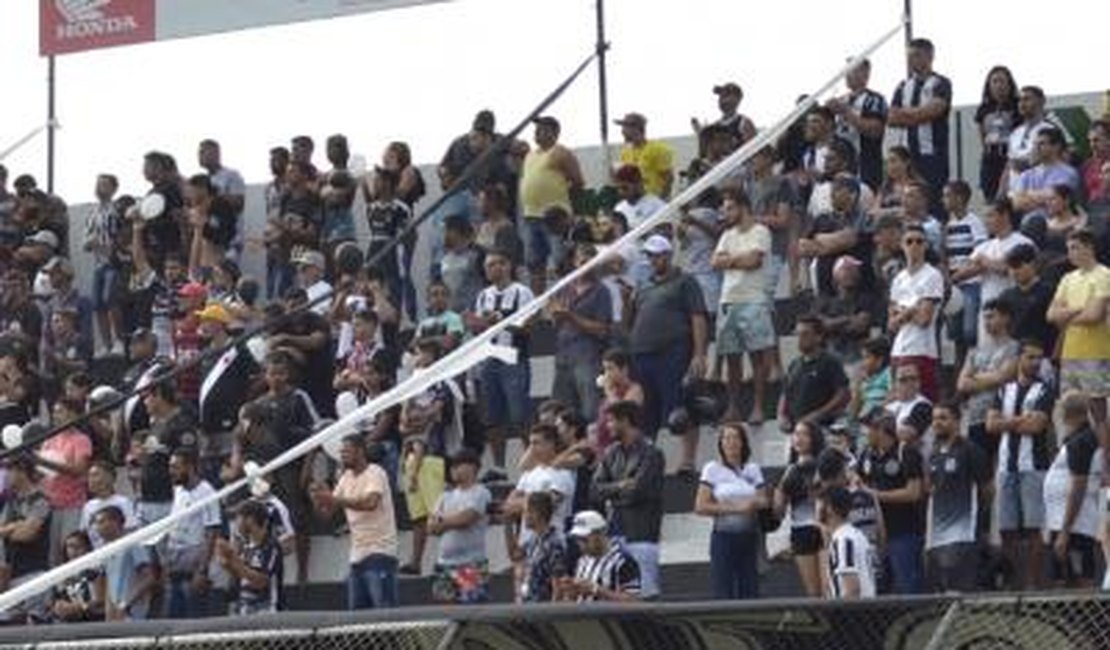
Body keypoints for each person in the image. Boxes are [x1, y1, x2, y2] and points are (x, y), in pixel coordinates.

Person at [624, 234, 709, 466]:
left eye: (657, 255)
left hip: (672, 352)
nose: (653, 260)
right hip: (643, 355)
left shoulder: (685, 281)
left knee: (681, 404)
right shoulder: (643, 286)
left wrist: (699, 354)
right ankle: (645, 460)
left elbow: (697, 316)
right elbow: (631, 320)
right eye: (650, 256)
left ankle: (688, 459)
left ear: (668, 255)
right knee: (645, 411)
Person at [985, 340, 1054, 590]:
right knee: (1006, 529)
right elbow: (990, 426)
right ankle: (1014, 580)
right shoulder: (1005, 390)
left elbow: (1036, 427)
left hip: (1033, 466)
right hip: (1006, 466)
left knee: (1034, 527)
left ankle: (1032, 584)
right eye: (1031, 357)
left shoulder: (1045, 390)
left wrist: (1006, 421)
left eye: (1040, 358)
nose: (1036, 363)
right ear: (1019, 359)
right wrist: (1020, 420)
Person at [466, 249, 534, 481]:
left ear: (508, 266)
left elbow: (527, 326)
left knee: (520, 414)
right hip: (489, 357)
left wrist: (501, 321)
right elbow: (478, 330)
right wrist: (476, 324)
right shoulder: (483, 295)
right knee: (493, 417)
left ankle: (532, 462)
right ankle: (499, 467)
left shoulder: (522, 292)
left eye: (499, 263)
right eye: (490, 265)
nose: (495, 268)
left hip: (513, 357)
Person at [311, 435, 399, 609]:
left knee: (384, 612)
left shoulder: (375, 472)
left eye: (346, 451)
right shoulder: (345, 478)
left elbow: (370, 503)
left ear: (360, 451)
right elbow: (326, 515)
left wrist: (333, 499)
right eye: (341, 452)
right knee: (357, 616)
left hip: (380, 552)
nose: (342, 455)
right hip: (357, 556)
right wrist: (317, 498)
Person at [711, 188, 775, 424]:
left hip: (753, 299)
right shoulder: (727, 235)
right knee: (731, 358)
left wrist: (730, 261)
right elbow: (715, 261)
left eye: (729, 208)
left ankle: (758, 407)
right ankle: (733, 407)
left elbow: (754, 261)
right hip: (728, 300)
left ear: (742, 207)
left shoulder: (761, 231)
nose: (725, 213)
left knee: (758, 358)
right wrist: (738, 260)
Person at [590, 401, 664, 599]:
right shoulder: (611, 453)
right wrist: (622, 485)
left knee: (644, 597)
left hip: (641, 534)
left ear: (625, 421)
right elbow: (595, 490)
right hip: (614, 534)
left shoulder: (652, 454)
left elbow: (638, 492)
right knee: (617, 594)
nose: (608, 426)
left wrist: (612, 491)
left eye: (612, 421)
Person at [694, 422, 767, 600]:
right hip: (724, 536)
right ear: (720, 444)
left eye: (735, 437)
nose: (731, 442)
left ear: (743, 442)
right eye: (726, 438)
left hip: (750, 537)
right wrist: (737, 508)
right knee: (723, 589)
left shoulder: (753, 469)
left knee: (750, 589)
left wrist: (754, 504)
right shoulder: (712, 469)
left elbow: (763, 500)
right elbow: (701, 506)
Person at [925, 401, 990, 593]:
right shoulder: (934, 453)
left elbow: (988, 489)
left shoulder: (971, 450)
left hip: (963, 532)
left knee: (960, 591)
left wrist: (978, 521)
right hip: (936, 533)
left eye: (943, 418)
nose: (937, 423)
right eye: (935, 419)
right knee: (940, 591)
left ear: (957, 421)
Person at [858, 412, 926, 594]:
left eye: (867, 431)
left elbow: (914, 493)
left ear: (880, 430)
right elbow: (858, 481)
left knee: (907, 585)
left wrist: (876, 495)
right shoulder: (866, 454)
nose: (864, 435)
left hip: (904, 532)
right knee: (877, 587)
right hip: (875, 535)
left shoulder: (906, 453)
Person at [1048, 230, 1110, 428]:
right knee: (1070, 406)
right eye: (1068, 249)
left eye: (1075, 248)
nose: (1070, 253)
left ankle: (1103, 452)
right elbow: (1050, 315)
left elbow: (1095, 316)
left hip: (1096, 352)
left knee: (1097, 406)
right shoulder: (1067, 278)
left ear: (1089, 247)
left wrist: (1066, 315)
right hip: (1070, 351)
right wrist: (1080, 309)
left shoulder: (1104, 275)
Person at [1043, 392, 1103, 589]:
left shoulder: (1081, 442)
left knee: (1078, 581)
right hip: (1063, 522)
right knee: (1063, 579)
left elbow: (1078, 486)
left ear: (1065, 414)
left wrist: (1065, 532)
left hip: (1074, 525)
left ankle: (1085, 619)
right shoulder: (1077, 439)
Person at [519, 115, 584, 291]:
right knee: (534, 265)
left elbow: (578, 182)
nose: (537, 132)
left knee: (561, 263)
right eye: (536, 129)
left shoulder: (561, 152)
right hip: (531, 216)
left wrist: (564, 207)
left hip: (555, 219)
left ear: (554, 132)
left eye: (542, 129)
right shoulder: (530, 155)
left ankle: (569, 303)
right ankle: (537, 309)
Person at [549, 243, 613, 421]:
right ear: (575, 262)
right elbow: (555, 321)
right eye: (582, 261)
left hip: (588, 357)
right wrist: (555, 312)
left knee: (590, 411)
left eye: (591, 261)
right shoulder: (564, 287)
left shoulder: (602, 291)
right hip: (563, 356)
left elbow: (602, 330)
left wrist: (570, 316)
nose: (586, 265)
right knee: (562, 413)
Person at [887, 38, 952, 210]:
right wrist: (919, 114)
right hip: (907, 156)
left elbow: (933, 111)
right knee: (908, 200)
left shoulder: (940, 83)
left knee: (933, 200)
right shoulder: (903, 85)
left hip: (932, 154)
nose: (911, 60)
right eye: (909, 56)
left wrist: (907, 113)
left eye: (916, 55)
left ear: (930, 56)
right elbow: (892, 118)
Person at [956, 299, 1019, 459]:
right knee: (979, 470)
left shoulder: (1015, 347)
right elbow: (961, 384)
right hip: (975, 417)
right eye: (985, 318)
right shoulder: (975, 350)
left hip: (1001, 416)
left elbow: (1003, 377)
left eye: (991, 317)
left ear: (1006, 318)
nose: (987, 322)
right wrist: (991, 377)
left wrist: (974, 378)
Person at [888, 224, 944, 401]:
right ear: (902, 245)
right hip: (898, 349)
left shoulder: (932, 275)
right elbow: (891, 324)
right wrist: (913, 308)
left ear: (926, 245)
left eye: (919, 241)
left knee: (923, 402)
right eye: (909, 241)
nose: (914, 246)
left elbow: (924, 319)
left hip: (922, 349)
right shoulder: (898, 279)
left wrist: (902, 312)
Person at [429, 448, 492, 605]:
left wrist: (443, 522)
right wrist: (450, 522)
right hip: (444, 564)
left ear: (472, 467)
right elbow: (430, 527)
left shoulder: (481, 492)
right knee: (445, 611)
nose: (452, 469)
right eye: (452, 466)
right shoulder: (445, 496)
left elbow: (467, 518)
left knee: (472, 610)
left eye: (457, 465)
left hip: (470, 564)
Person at [164, 449, 221, 619]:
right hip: (176, 564)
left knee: (193, 616)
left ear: (189, 467)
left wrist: (202, 571)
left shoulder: (207, 492)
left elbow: (212, 531)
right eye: (170, 467)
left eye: (175, 467)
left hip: (193, 566)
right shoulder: (178, 490)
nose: (171, 472)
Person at [37, 396, 93, 565]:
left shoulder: (81, 440)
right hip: (52, 504)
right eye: (55, 412)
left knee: (71, 551)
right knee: (53, 555)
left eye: (61, 411)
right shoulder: (50, 439)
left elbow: (79, 470)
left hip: (73, 504)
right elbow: (41, 472)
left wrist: (46, 463)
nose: (56, 415)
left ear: (74, 414)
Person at [775, 421, 825, 597]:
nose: (799, 438)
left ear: (814, 438)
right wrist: (779, 492)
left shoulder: (824, 464)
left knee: (829, 590)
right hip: (801, 531)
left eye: (805, 434)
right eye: (796, 434)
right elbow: (779, 512)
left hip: (825, 528)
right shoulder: (790, 470)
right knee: (813, 592)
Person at [778, 316, 850, 434]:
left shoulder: (830, 362)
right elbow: (785, 393)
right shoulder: (795, 364)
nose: (800, 339)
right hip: (795, 429)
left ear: (819, 337)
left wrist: (819, 414)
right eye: (798, 334)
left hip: (821, 428)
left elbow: (842, 394)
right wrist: (781, 415)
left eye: (805, 334)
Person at [943, 180, 988, 360]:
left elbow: (979, 254)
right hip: (954, 285)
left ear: (960, 198)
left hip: (970, 283)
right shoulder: (949, 224)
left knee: (970, 330)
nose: (943, 200)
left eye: (947, 196)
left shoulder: (974, 222)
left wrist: (960, 275)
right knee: (954, 331)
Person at [215, 500, 284, 615]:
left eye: (238, 518)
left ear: (250, 519)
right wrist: (226, 562)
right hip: (244, 607)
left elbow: (261, 581)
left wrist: (234, 560)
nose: (236, 523)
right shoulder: (246, 545)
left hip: (267, 609)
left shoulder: (271, 546)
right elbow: (240, 575)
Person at [555, 510, 641, 602]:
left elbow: (633, 601)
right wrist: (571, 590)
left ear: (601, 533)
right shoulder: (583, 560)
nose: (581, 545)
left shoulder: (622, 561)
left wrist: (596, 590)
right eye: (578, 540)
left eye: (585, 540)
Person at [828, 58, 887, 190]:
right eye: (846, 71)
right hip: (840, 165)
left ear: (865, 73)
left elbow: (875, 131)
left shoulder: (875, 99)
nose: (847, 75)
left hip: (866, 164)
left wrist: (846, 112)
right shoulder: (841, 99)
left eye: (852, 70)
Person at [84, 173, 125, 356]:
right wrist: (89, 244)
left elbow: (120, 238)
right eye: (98, 184)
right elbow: (86, 240)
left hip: (114, 262)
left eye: (104, 184)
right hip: (98, 264)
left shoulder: (115, 210)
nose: (99, 188)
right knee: (97, 304)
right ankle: (107, 344)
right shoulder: (92, 213)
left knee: (111, 299)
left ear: (113, 189)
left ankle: (119, 340)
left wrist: (102, 246)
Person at [96, 505, 157, 621]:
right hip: (115, 613)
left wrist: (126, 604)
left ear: (115, 522)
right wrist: (109, 611)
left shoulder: (132, 544)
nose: (97, 527)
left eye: (101, 522)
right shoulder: (106, 549)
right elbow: (109, 582)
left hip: (132, 612)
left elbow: (148, 577)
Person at [1011, 127, 1081, 227]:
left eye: (1042, 144)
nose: (1036, 148)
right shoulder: (1026, 174)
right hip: (1028, 226)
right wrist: (1043, 197)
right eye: (1035, 144)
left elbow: (1057, 200)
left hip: (1060, 226)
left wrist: (1027, 194)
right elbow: (1016, 204)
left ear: (1056, 146)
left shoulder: (1068, 173)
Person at [974, 66, 1021, 200]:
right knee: (990, 196)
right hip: (990, 157)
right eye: (994, 81)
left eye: (1002, 81)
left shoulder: (1017, 106)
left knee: (1008, 196)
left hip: (1009, 156)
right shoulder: (984, 108)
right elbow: (982, 134)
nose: (998, 85)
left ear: (1009, 84)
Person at [822, 485, 878, 599]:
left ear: (829, 508)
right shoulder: (857, 534)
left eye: (821, 504)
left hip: (853, 613)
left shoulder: (843, 540)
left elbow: (852, 589)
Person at [520, 491, 569, 603]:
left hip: (543, 608)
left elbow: (557, 582)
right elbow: (516, 555)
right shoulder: (533, 540)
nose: (525, 517)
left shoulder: (554, 543)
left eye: (528, 512)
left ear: (538, 513)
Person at [616, 112, 674, 199]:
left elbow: (668, 178)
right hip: (635, 203)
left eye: (625, 127)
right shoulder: (625, 153)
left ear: (636, 128)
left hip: (653, 201)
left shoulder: (657, 149)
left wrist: (661, 202)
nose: (622, 132)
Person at [79, 460, 137, 548]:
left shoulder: (123, 502)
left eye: (95, 475)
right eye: (89, 476)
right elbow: (84, 533)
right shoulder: (88, 506)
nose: (90, 480)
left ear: (110, 478)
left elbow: (131, 528)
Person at [692, 81, 757, 151]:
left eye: (725, 95)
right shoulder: (715, 127)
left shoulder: (744, 123)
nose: (721, 99)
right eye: (720, 96)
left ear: (736, 99)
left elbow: (753, 150)